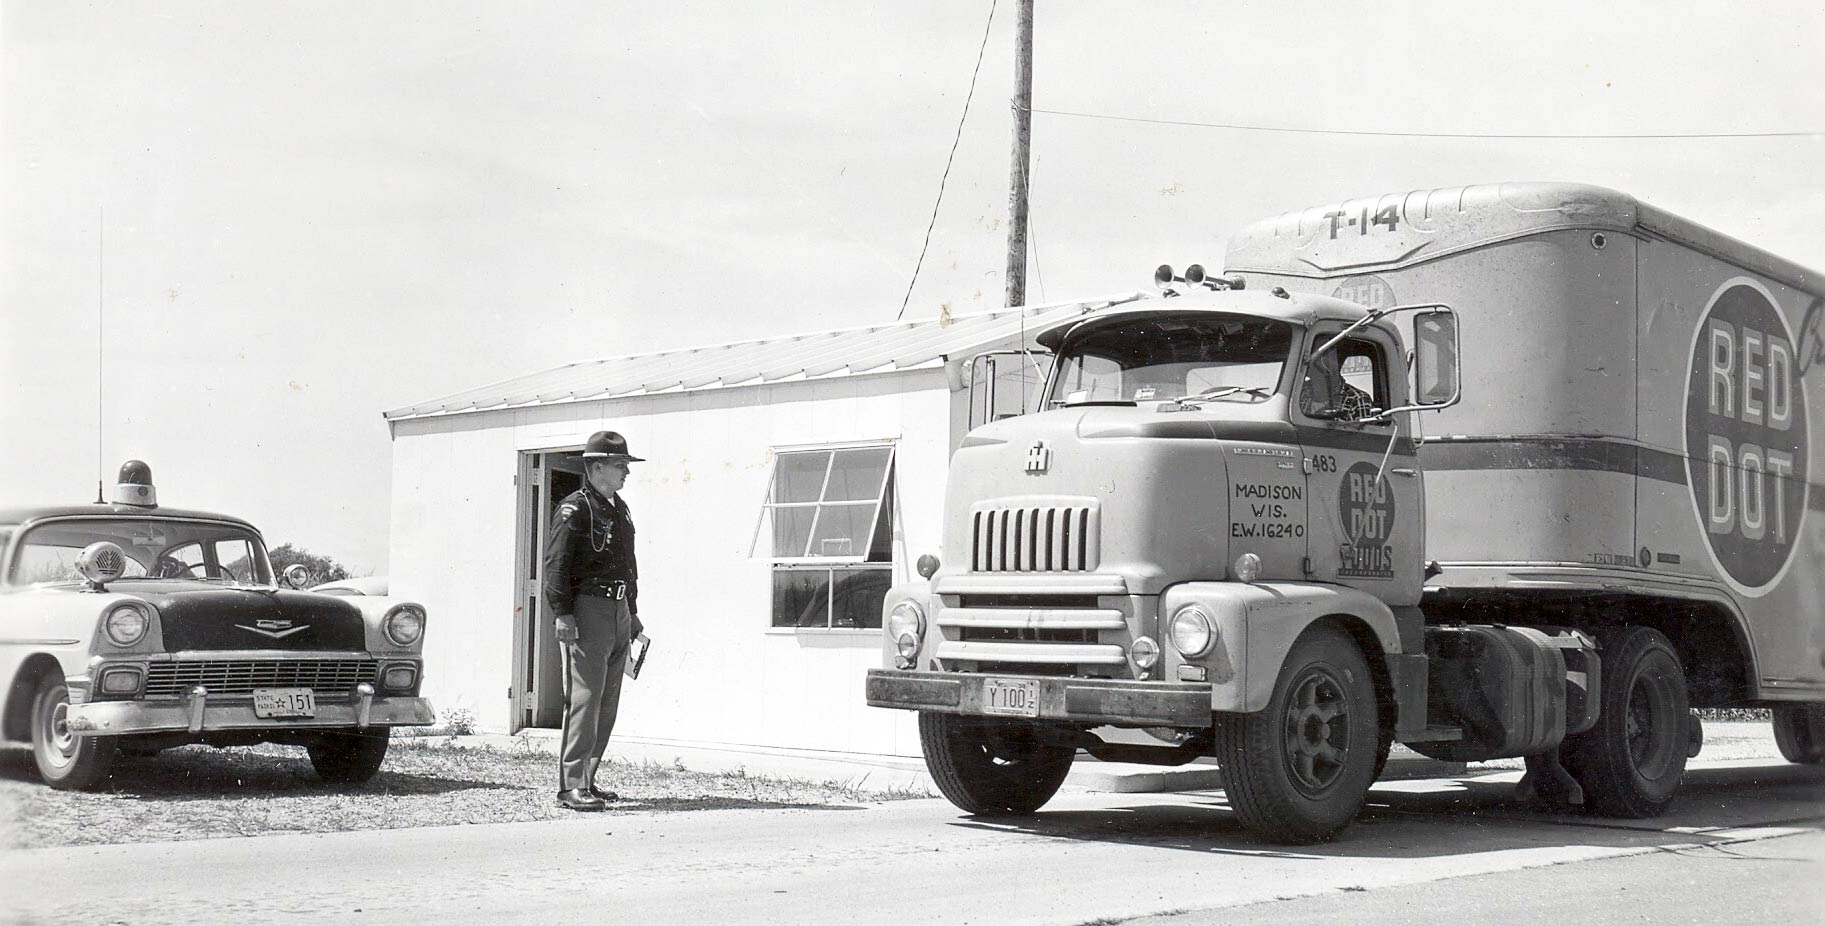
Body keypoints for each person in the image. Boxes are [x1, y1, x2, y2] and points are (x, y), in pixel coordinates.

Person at [542, 430, 646, 811]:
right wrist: (563, 614)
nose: (626, 473)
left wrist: (632, 612)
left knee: (608, 700)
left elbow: (628, 565)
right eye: (620, 466)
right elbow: (557, 566)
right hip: (587, 608)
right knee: (584, 698)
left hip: (617, 609)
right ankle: (571, 785)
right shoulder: (575, 508)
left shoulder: (619, 509)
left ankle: (588, 778)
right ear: (596, 467)